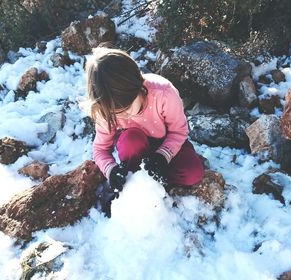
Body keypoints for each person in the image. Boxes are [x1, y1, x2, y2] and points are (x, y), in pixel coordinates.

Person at [87, 47, 204, 214]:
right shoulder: (105, 111)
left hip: (166, 142)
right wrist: (111, 170)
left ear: (139, 85)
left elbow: (179, 132)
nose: (123, 115)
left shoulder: (163, 94)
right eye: (116, 113)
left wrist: (163, 156)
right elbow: (100, 149)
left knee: (193, 173)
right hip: (133, 147)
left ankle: (157, 178)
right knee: (131, 140)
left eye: (127, 108)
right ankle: (134, 183)